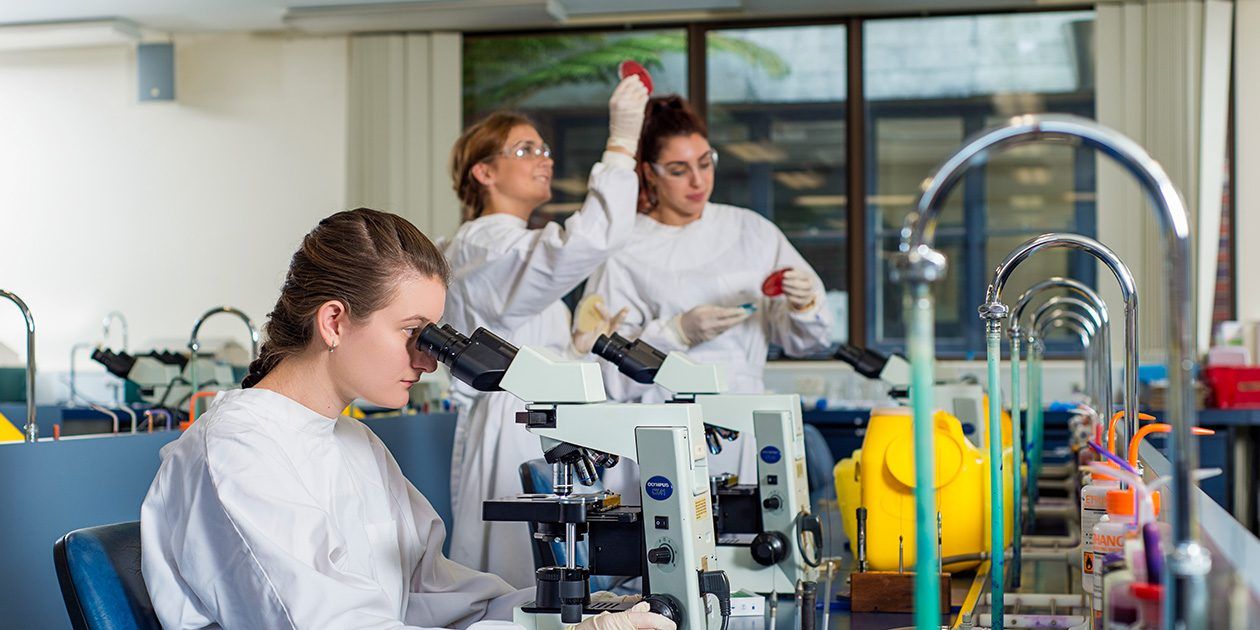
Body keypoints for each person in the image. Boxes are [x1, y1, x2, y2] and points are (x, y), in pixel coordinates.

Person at [140, 208, 672, 630]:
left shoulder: (355, 442)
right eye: (412, 332)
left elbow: (437, 598)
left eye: (434, 336)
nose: (428, 358)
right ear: (334, 321)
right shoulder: (238, 449)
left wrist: (574, 611)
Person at [441, 76, 646, 587]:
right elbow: (587, 239)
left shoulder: (508, 245)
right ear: (484, 171)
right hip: (516, 421)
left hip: (540, 417)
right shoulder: (486, 242)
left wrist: (572, 347)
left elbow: (518, 317)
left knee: (563, 570)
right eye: (526, 148)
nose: (545, 158)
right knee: (523, 578)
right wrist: (620, 146)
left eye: (545, 148)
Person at [582, 95, 833, 480]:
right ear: (649, 173)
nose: (698, 181)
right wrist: (673, 333)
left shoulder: (752, 231)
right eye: (679, 170)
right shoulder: (625, 248)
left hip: (745, 424)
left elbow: (810, 342)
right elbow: (603, 371)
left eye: (705, 163)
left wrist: (804, 307)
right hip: (661, 428)